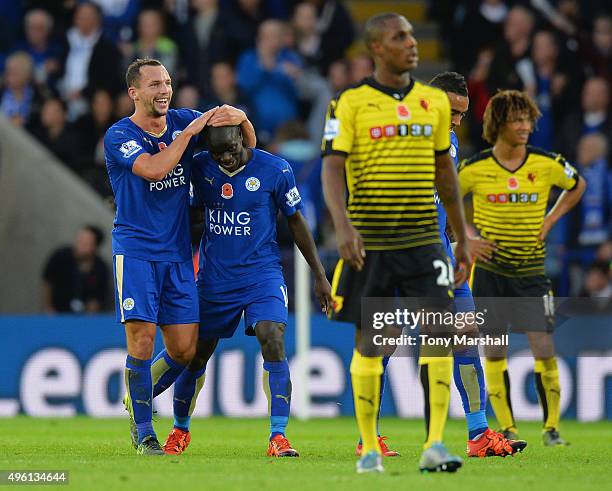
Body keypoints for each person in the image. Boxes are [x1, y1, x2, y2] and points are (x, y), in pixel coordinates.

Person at [321, 13, 472, 474]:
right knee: (372, 340)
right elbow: (332, 167)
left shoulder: (433, 103)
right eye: (399, 37)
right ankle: (368, 448)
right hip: (372, 236)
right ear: (376, 49)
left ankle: (435, 444)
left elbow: (445, 174)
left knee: (440, 334)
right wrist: (343, 227)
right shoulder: (348, 103)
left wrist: (461, 235)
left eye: (412, 35)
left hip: (425, 237)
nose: (411, 44)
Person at [357, 71, 527, 460]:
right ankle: (369, 436)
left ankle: (478, 433)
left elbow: (444, 198)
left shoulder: (447, 140)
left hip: (443, 257)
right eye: (451, 111)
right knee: (383, 344)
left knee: (465, 338)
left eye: (462, 115)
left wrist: (459, 239)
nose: (455, 121)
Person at [104, 57, 256, 455]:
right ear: (134, 92)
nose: (164, 91)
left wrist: (240, 118)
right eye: (154, 84)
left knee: (186, 349)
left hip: (177, 254)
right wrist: (190, 132)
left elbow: (242, 147)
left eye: (168, 83)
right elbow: (155, 169)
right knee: (141, 339)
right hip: (136, 251)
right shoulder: (120, 135)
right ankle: (144, 431)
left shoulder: (183, 120)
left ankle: (137, 396)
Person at [151, 125, 332, 457]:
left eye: (232, 149)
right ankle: (179, 429)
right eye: (219, 153)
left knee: (272, 337)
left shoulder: (275, 169)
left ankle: (278, 436)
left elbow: (296, 221)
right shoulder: (200, 167)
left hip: (262, 274)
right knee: (194, 355)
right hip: (214, 279)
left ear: (245, 139)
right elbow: (185, 218)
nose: (227, 158)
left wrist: (319, 276)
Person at [458, 89, 586, 447]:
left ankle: (551, 428)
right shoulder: (474, 168)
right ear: (499, 123)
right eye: (517, 119)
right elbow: (445, 199)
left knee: (543, 347)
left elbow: (577, 185)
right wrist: (466, 239)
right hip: (490, 271)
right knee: (494, 349)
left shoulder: (546, 163)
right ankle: (508, 427)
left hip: (531, 271)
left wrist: (551, 218)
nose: (525, 126)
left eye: (528, 119)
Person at [42, 225, 109, 313]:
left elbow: (96, 299)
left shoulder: (101, 269)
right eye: (78, 241)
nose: (79, 246)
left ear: (95, 247)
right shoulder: (60, 256)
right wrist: (48, 308)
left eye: (85, 244)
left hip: (83, 318)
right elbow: (47, 283)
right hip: (57, 313)